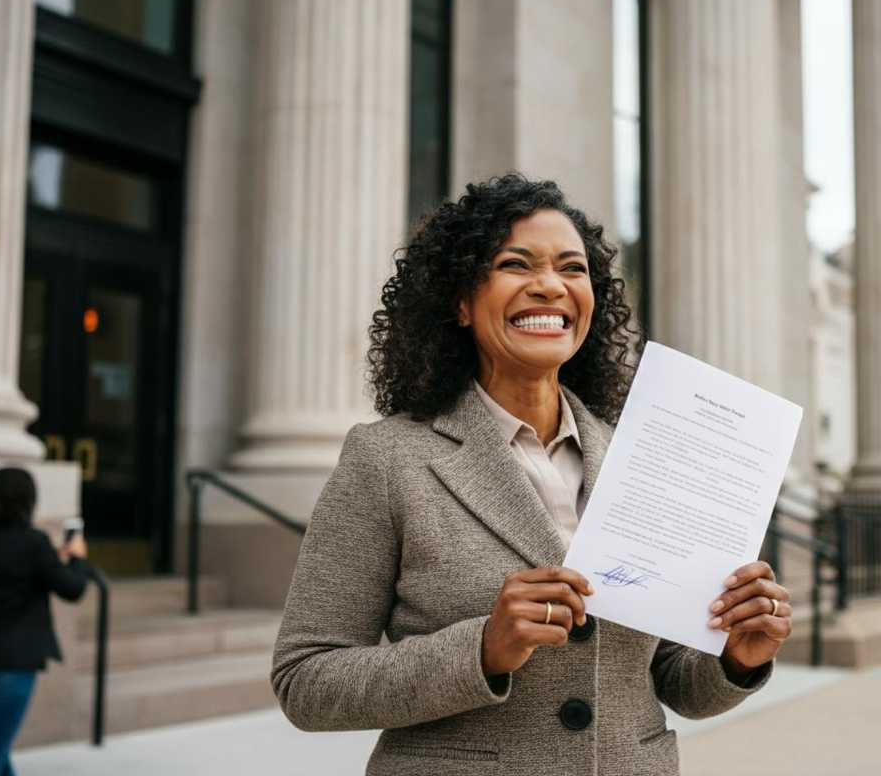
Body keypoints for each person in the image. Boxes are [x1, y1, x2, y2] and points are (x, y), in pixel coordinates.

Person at [271, 174, 793, 774]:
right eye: (516, 264)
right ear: (461, 302)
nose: (550, 286)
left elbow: (673, 681)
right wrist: (482, 650)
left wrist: (736, 658)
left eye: (572, 269)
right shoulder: (387, 460)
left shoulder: (639, 458)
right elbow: (305, 680)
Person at [0, 467, 88, 776]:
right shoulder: (32, 544)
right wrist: (78, 558)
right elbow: (72, 589)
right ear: (28, 501)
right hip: (10, 667)